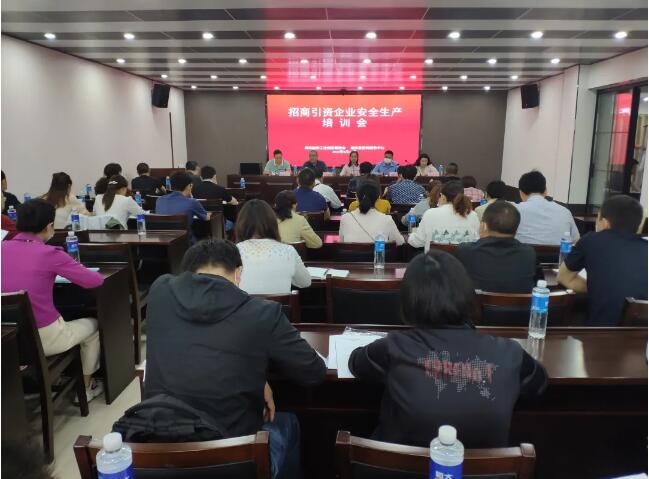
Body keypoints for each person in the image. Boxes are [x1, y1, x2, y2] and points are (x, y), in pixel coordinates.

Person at [145, 239, 326, 479]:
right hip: (231, 460)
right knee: (288, 423)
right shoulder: (262, 313)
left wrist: (257, 377)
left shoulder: (159, 292)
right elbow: (313, 372)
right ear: (238, 273)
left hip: (159, 455)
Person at [348, 250, 547, 448]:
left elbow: (356, 363)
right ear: (468, 295)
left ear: (408, 300)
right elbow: (539, 385)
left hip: (397, 465)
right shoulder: (510, 353)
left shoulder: (394, 346)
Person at [1, 199, 104, 401]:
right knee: (93, 326)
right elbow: (94, 281)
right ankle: (86, 389)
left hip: (6, 338)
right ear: (49, 226)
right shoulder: (49, 253)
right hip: (43, 338)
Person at [557, 195, 647, 326]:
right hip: (642, 334)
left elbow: (563, 277)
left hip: (601, 332)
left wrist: (601, 286)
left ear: (604, 223)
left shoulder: (590, 241)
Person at [455, 201, 537, 293]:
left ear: (484, 225)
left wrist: (482, 237)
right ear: (517, 228)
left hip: (474, 302)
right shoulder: (528, 254)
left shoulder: (465, 251)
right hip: (518, 303)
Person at [236, 199, 311, 294]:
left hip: (244, 304)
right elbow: (305, 282)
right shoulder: (288, 251)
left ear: (241, 224)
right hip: (278, 304)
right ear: (273, 222)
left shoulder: (234, 251)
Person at [408, 180, 480, 251]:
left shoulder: (430, 213)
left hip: (435, 258)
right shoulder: (472, 215)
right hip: (464, 258)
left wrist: (411, 235)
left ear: (443, 196)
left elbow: (418, 242)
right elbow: (477, 240)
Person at [515, 171, 579, 245]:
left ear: (521, 193)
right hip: (559, 253)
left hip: (524, 252)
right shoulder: (565, 212)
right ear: (545, 191)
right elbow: (576, 239)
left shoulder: (514, 211)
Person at [339, 182, 404, 245]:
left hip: (351, 253)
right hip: (378, 253)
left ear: (357, 197)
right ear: (378, 198)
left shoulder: (345, 218)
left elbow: (341, 242)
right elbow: (400, 242)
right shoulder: (387, 219)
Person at [155, 172, 210, 240]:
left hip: (163, 241)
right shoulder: (192, 202)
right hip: (184, 242)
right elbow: (206, 218)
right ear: (188, 186)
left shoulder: (159, 200)